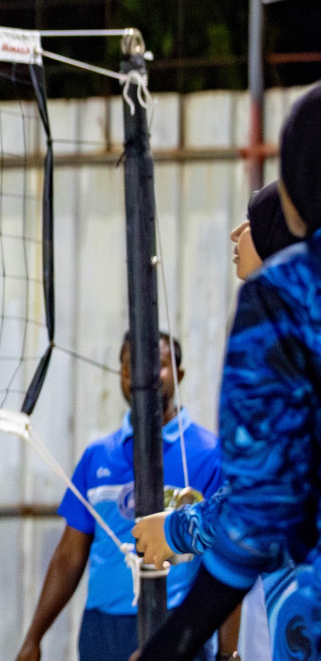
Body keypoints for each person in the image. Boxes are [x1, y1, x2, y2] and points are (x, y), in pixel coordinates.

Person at [136, 86, 321, 661]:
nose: (236, 237)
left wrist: (174, 531)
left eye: (252, 222)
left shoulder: (284, 301)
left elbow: (261, 509)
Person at [15, 332, 233, 661]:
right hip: (103, 629)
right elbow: (69, 556)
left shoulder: (208, 454)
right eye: (131, 366)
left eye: (157, 365)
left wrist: (228, 653)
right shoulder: (97, 457)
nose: (143, 375)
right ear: (121, 374)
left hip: (177, 622)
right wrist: (34, 637)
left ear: (179, 374)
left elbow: (229, 557)